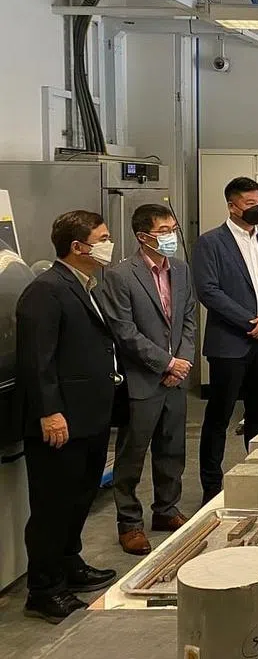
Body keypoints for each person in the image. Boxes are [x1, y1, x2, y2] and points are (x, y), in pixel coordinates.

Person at [15, 210, 118, 623]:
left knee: (79, 497)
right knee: (52, 506)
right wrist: (50, 412)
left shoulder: (86, 285)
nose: (109, 245)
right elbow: (37, 360)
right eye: (102, 239)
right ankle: (44, 589)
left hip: (89, 416)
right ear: (77, 247)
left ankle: (69, 563)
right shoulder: (46, 290)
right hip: (60, 420)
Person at [100, 204, 196, 556]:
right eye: (164, 231)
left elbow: (188, 320)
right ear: (143, 237)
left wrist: (182, 362)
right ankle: (129, 524)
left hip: (177, 379)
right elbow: (124, 332)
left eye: (173, 229)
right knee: (132, 455)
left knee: (172, 450)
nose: (172, 237)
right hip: (142, 380)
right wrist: (166, 363)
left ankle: (166, 510)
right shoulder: (120, 276)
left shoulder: (181, 270)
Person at [193, 177, 258, 503]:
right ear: (232, 206)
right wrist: (251, 322)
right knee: (219, 417)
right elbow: (208, 291)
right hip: (230, 344)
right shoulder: (210, 243)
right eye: (250, 204)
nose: (257, 208)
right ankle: (211, 486)